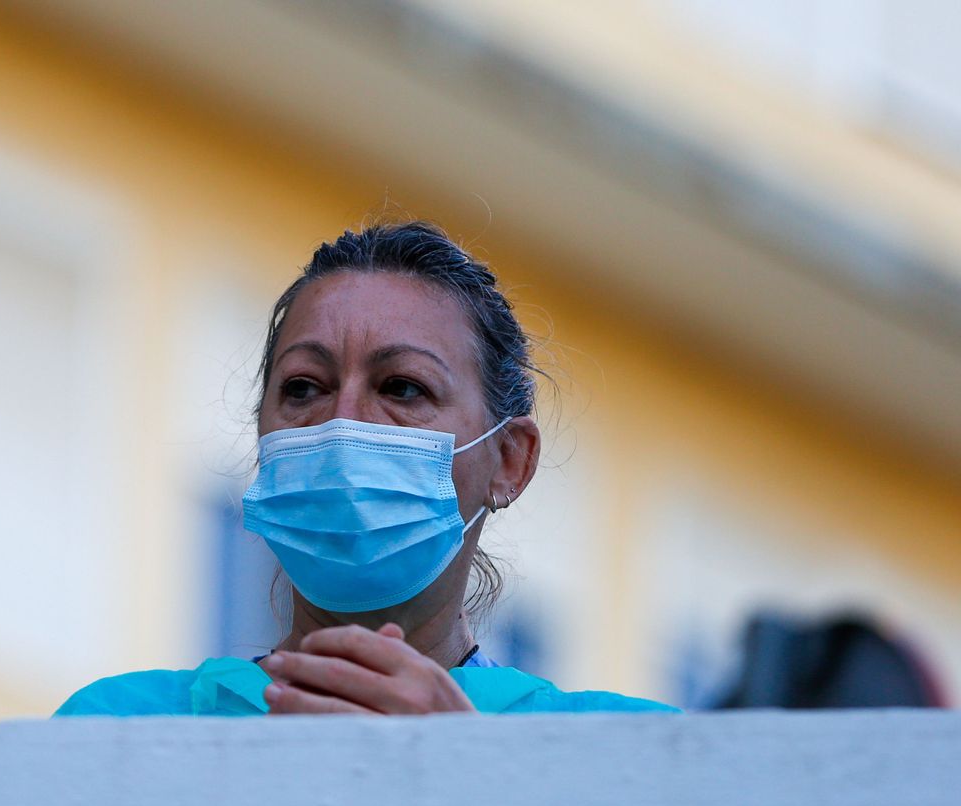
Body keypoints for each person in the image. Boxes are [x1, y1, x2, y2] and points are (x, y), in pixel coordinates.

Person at [56, 222, 677, 717]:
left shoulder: (629, 755)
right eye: (303, 388)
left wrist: (462, 774)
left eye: (403, 388)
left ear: (509, 460)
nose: (342, 420)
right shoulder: (118, 728)